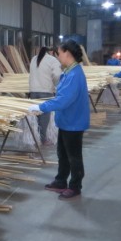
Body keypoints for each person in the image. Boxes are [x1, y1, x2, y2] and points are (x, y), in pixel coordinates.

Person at [27, 40, 90, 201]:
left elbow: (63, 100)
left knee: (74, 156)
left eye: (59, 53)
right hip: (66, 121)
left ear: (67, 53)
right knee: (63, 154)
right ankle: (61, 181)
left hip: (74, 123)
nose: (58, 56)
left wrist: (41, 107)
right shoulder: (69, 72)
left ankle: (75, 186)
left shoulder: (75, 75)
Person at [29, 46, 62, 145]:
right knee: (44, 117)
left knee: (35, 116)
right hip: (46, 91)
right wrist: (57, 85)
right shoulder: (53, 60)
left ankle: (34, 138)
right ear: (52, 52)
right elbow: (57, 75)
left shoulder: (34, 59)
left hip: (33, 91)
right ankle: (42, 140)